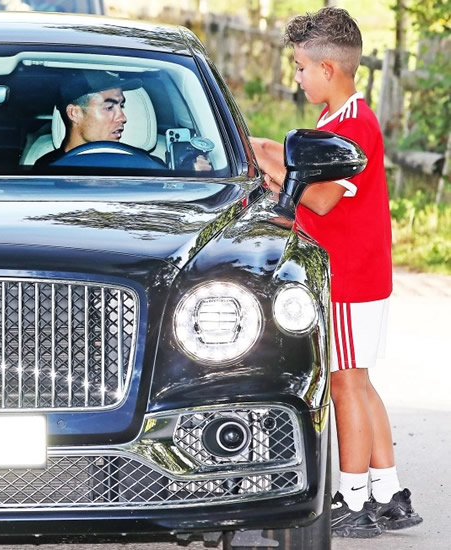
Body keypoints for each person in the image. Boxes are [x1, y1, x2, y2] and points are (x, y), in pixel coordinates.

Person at [250, 7, 422, 539]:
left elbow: (321, 200)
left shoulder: (351, 126)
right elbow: (315, 185)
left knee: (343, 386)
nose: (296, 77)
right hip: (364, 275)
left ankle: (353, 498)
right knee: (361, 383)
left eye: (300, 67)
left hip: (347, 279)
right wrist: (275, 161)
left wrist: (266, 164)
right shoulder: (341, 121)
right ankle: (389, 491)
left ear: (328, 69)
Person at [35, 70, 211, 171]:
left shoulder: (153, 168)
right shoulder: (45, 171)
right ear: (74, 113)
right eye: (109, 107)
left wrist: (196, 175)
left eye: (121, 106)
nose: (123, 118)